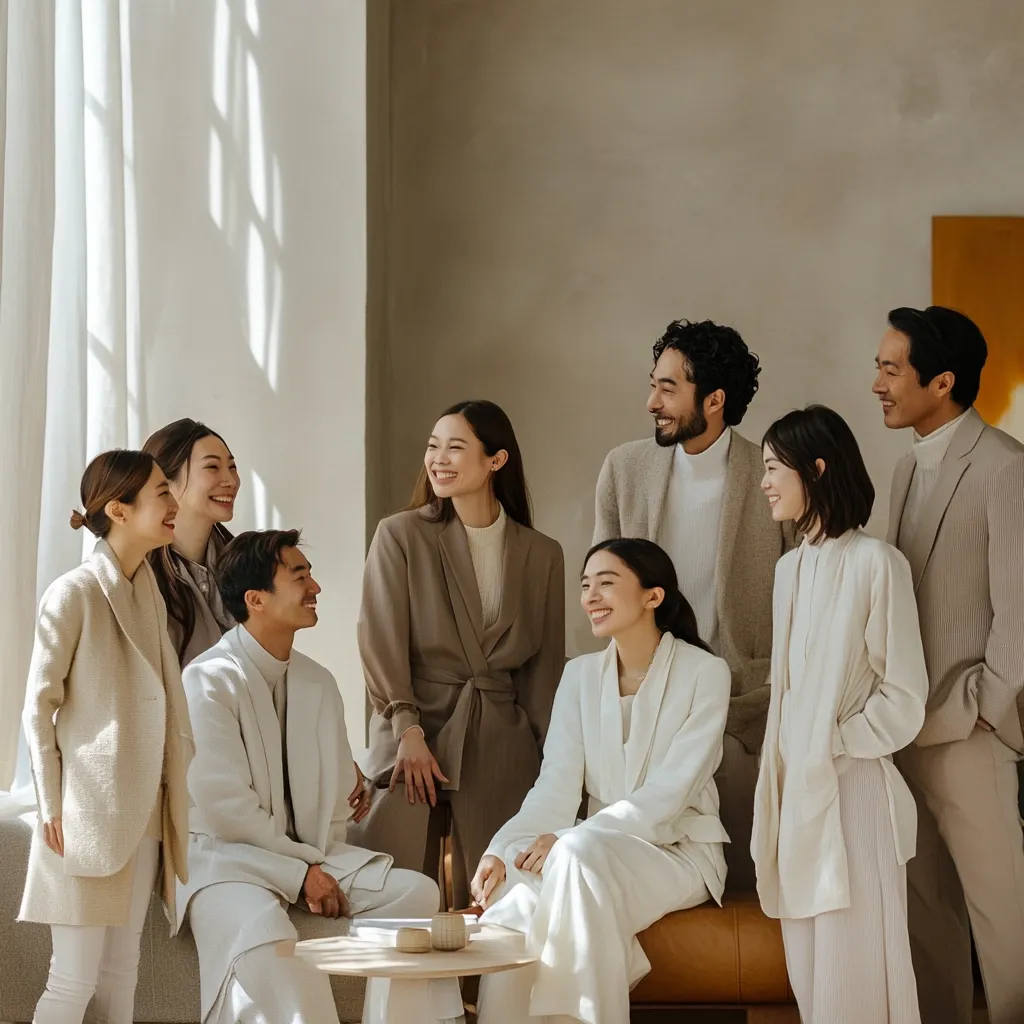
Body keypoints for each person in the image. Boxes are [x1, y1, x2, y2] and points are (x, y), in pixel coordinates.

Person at [176, 529, 439, 1024]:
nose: (315, 587)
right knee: (264, 930)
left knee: (419, 894)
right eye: (299, 576)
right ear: (256, 599)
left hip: (310, 851)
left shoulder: (318, 680)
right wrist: (301, 875)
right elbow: (225, 811)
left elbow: (338, 786)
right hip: (228, 861)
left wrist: (350, 785)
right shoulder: (207, 681)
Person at [472, 538, 730, 1024]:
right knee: (517, 903)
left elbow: (670, 794)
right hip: (588, 855)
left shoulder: (706, 673)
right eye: (586, 585)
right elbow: (554, 788)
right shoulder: (579, 676)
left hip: (679, 853)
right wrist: (501, 847)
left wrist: (570, 838)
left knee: (571, 855)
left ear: (653, 596)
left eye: (606, 583)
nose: (590, 595)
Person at [594, 319, 792, 889]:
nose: (651, 401)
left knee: (749, 881)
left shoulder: (772, 474)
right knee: (642, 870)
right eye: (653, 384)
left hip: (747, 704)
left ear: (714, 399)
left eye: (668, 388)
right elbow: (602, 589)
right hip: (648, 698)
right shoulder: (623, 469)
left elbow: (803, 599)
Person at [350, 400, 565, 909]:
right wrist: (408, 729)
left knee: (501, 899)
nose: (438, 459)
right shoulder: (400, 535)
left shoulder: (542, 553)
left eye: (455, 447)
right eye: (432, 446)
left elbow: (544, 673)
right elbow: (379, 637)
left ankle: (488, 992)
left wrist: (548, 764)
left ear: (496, 461)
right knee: (399, 898)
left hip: (500, 738)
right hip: (413, 734)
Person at [752, 405, 928, 1023]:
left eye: (775, 468)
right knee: (809, 977)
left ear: (817, 469)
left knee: (856, 977)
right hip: (794, 797)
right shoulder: (788, 570)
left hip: (854, 798)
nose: (765, 482)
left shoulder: (876, 563)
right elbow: (788, 691)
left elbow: (904, 696)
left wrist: (832, 742)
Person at [875, 306, 1024, 1024]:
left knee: (1007, 929)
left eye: (890, 369)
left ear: (942, 381)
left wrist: (988, 709)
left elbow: (1020, 613)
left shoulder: (1005, 468)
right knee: (926, 928)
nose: (876, 382)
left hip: (970, 734)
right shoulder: (904, 469)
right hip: (902, 737)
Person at [19, 450, 193, 1024]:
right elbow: (36, 709)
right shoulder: (73, 593)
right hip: (84, 815)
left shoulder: (148, 592)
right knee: (71, 982)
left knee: (123, 976)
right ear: (119, 508)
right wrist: (50, 802)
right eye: (162, 493)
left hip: (141, 811)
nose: (175, 504)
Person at [143, 418, 240, 666]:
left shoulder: (247, 564)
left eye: (232, 467)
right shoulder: (138, 577)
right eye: (212, 468)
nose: (230, 480)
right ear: (165, 481)